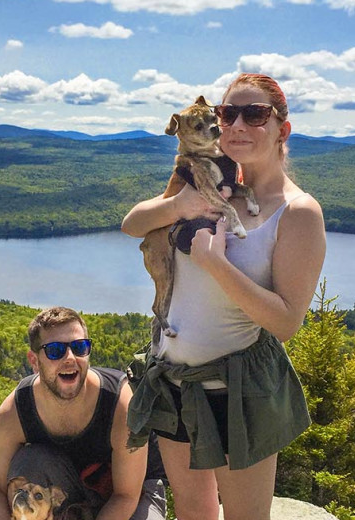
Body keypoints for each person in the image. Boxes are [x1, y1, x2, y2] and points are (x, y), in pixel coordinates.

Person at [121, 73, 326, 520]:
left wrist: (217, 265)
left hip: (236, 389)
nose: (234, 125)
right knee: (193, 512)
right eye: (225, 113)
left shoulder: (299, 212)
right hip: (174, 379)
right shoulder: (207, 186)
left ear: (282, 130)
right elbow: (133, 223)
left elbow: (287, 323)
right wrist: (179, 206)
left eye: (254, 115)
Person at [0, 306, 166, 520]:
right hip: (63, 489)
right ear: (34, 361)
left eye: (79, 347)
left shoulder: (120, 404)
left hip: (131, 492)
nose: (70, 358)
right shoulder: (15, 412)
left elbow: (126, 496)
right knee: (29, 460)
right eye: (55, 350)